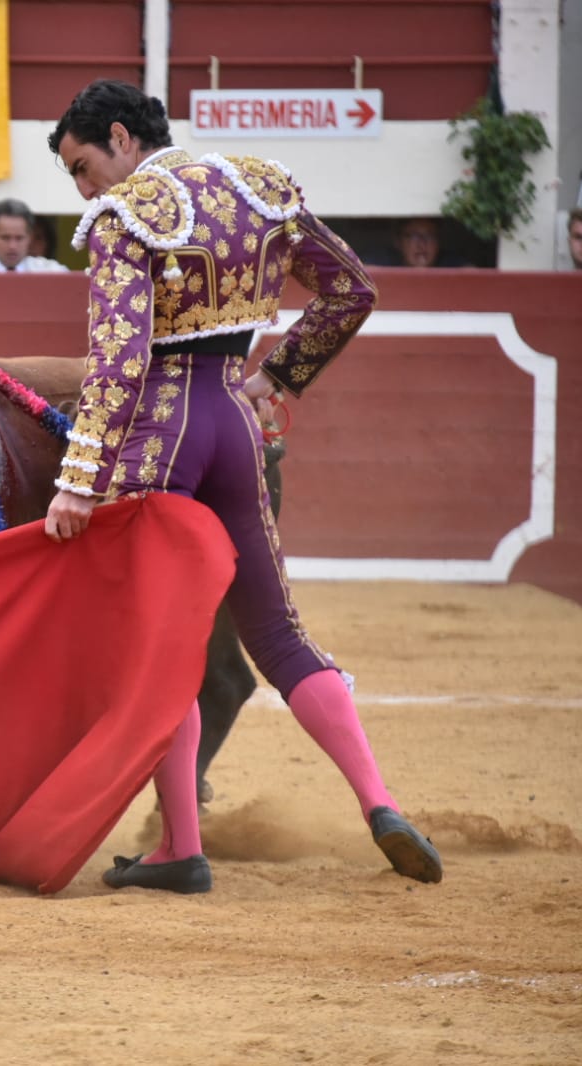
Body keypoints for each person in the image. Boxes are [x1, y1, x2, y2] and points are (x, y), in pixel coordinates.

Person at [43, 78, 441, 893]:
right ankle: (380, 804)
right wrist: (279, 377)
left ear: (120, 138)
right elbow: (350, 290)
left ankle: (178, 849)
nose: (83, 191)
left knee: (163, 648)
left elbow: (118, 363)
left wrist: (78, 481)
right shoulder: (259, 187)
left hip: (162, 436)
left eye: (82, 166)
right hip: (234, 420)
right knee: (278, 632)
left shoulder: (124, 219)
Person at [0, 199, 70, 273]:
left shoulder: (52, 272)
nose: (12, 246)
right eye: (5, 237)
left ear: (29, 237)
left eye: (19, 238)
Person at [382, 217, 464, 268]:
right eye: (413, 236)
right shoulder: (385, 264)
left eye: (429, 236)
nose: (421, 244)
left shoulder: (452, 266)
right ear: (398, 242)